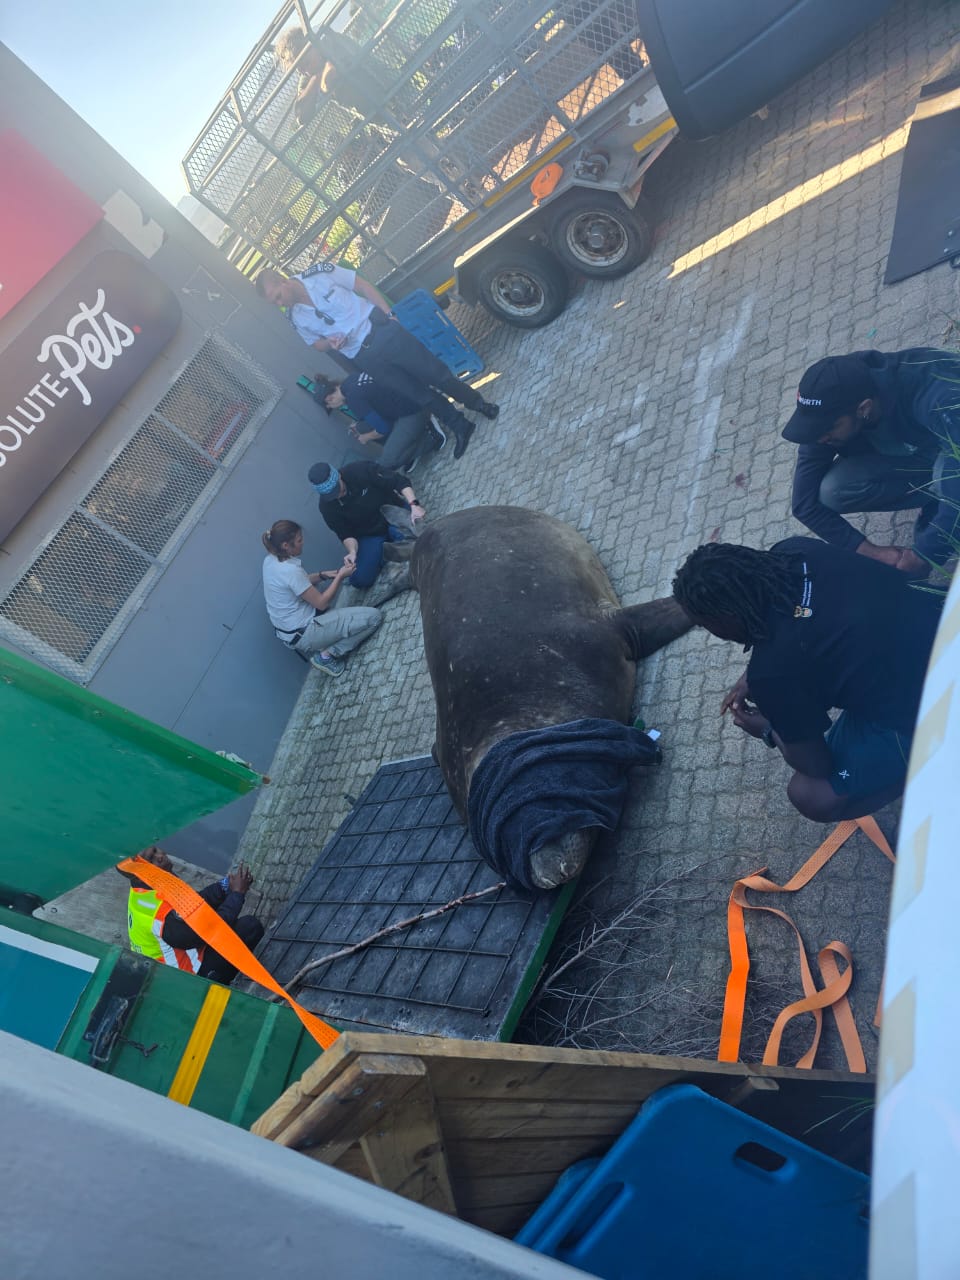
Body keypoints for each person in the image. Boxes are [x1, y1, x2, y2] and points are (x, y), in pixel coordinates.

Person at [672, 537, 943, 822]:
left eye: (705, 624)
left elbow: (817, 765)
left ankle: (932, 764)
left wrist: (768, 729)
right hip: (944, 623)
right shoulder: (793, 552)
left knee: (811, 795)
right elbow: (804, 614)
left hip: (932, 708)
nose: (710, 631)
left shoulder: (775, 676)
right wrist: (754, 672)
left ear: (726, 617)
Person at [255, 266, 499, 446]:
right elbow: (315, 344)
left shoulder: (319, 274)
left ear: (282, 280)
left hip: (382, 332)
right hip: (363, 355)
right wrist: (329, 343)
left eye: (277, 296)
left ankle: (478, 404)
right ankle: (459, 425)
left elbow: (361, 285)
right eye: (274, 303)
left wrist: (389, 314)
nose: (280, 304)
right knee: (415, 392)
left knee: (436, 374)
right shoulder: (295, 317)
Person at [783, 348, 960, 578]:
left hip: (953, 438)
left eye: (827, 429)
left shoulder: (936, 396)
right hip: (924, 449)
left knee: (949, 479)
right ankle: (937, 499)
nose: (820, 438)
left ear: (863, 408)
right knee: (833, 490)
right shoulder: (833, 403)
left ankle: (944, 499)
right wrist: (874, 553)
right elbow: (803, 504)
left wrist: (926, 555)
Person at [118, 846, 265, 985]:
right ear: (138, 875)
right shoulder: (160, 914)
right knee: (249, 927)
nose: (161, 856)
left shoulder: (150, 885)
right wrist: (237, 894)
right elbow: (208, 931)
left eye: (156, 849)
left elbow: (194, 905)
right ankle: (227, 984)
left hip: (191, 947)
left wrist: (224, 887)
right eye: (151, 859)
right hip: (191, 978)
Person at [262, 519, 382, 677]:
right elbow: (322, 603)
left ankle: (327, 639)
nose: (303, 542)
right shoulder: (289, 571)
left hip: (291, 631)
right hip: (306, 631)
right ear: (286, 545)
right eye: (299, 540)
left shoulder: (271, 560)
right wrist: (340, 576)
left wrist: (322, 575)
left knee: (348, 617)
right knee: (374, 617)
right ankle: (327, 655)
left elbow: (299, 585)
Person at [312, 370, 469, 467]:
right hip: (408, 401)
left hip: (413, 412)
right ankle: (409, 442)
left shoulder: (354, 400)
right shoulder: (351, 380)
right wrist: (362, 429)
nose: (334, 408)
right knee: (360, 427)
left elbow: (383, 428)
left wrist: (366, 437)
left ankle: (430, 437)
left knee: (386, 462)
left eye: (331, 407)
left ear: (330, 400)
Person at [308, 460, 422, 590]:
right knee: (360, 579)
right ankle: (389, 550)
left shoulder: (359, 470)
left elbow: (398, 481)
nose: (337, 495)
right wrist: (352, 552)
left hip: (393, 514)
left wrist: (414, 505)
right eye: (331, 495)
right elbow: (345, 534)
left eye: (337, 489)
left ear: (339, 475)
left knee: (420, 535)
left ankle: (395, 547)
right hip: (370, 535)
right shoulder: (326, 507)